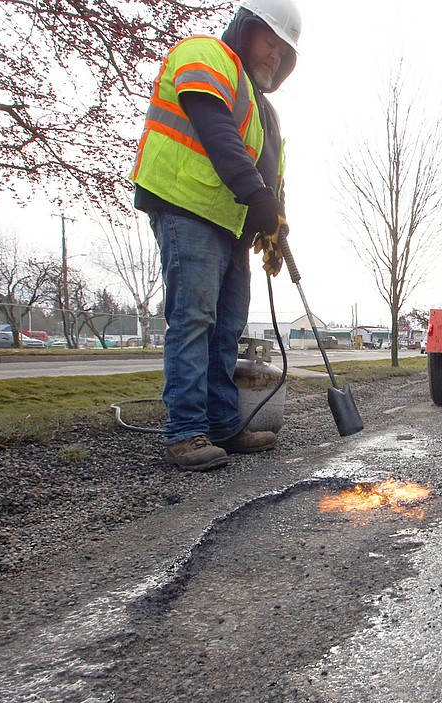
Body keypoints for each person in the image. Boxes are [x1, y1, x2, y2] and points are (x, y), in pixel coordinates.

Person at [131, 0, 301, 471]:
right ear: (246, 28)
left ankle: (225, 423)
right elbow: (217, 135)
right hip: (188, 207)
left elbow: (271, 178)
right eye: (271, 41)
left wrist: (273, 224)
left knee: (227, 327)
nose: (275, 55)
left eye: (285, 52)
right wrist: (259, 199)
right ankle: (185, 431)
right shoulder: (206, 56)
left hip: (232, 225)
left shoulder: (264, 110)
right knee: (194, 319)